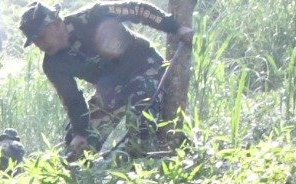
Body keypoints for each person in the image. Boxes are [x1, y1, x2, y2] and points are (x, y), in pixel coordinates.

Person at [18, 2, 194, 158]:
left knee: (141, 124)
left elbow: (138, 10)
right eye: (34, 42)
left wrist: (175, 27)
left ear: (56, 24)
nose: (40, 44)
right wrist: (80, 132)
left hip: (145, 68)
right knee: (78, 150)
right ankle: (88, 183)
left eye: (41, 36)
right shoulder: (53, 64)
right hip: (111, 90)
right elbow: (72, 100)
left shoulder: (92, 16)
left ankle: (141, 166)